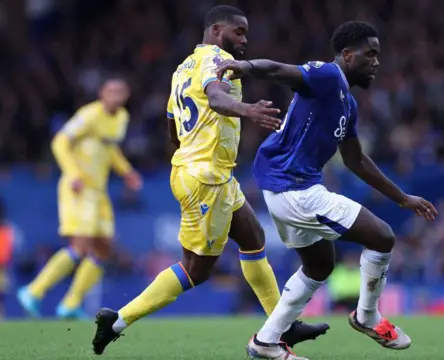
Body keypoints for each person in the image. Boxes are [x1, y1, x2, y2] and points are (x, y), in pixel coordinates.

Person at [91, 5, 328, 355]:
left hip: (209, 172)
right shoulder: (216, 60)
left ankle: (283, 326)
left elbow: (173, 128)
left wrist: (195, 147)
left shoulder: (181, 69)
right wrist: (248, 111)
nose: (245, 40)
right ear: (217, 30)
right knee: (195, 271)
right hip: (206, 178)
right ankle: (117, 321)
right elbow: (216, 97)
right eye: (240, 32)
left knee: (253, 237)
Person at [214, 21, 438, 360]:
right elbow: (279, 70)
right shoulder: (327, 76)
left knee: (319, 266)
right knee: (383, 238)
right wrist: (245, 66)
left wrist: (402, 198)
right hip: (293, 186)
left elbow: (355, 159)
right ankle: (366, 316)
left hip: (284, 187)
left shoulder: (347, 104)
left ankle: (266, 342)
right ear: (348, 55)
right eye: (370, 54)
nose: (377, 62)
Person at [17, 76, 143, 319]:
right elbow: (60, 142)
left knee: (104, 248)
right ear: (102, 93)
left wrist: (127, 172)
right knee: (81, 246)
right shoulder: (89, 115)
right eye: (112, 91)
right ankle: (34, 291)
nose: (116, 96)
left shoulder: (121, 119)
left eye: (121, 92)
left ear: (126, 96)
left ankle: (71, 304)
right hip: (79, 187)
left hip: (99, 190)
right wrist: (73, 172)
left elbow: (110, 149)